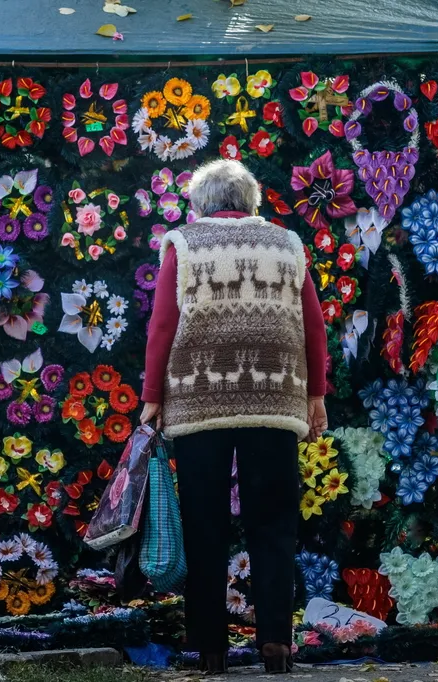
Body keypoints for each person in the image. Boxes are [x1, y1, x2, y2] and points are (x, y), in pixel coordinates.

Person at [139, 159, 327, 674]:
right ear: (251, 201)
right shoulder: (287, 245)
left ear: (201, 203)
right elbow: (313, 326)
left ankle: (210, 649)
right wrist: (316, 396)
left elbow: (162, 326)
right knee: (274, 522)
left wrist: (152, 396)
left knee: (205, 523)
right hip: (275, 397)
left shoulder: (183, 244)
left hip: (200, 400)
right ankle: (276, 644)